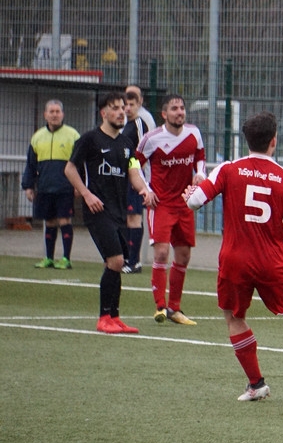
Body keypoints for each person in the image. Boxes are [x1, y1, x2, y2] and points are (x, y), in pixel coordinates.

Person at [184, 112, 283, 403]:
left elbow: (196, 201)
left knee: (235, 317)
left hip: (235, 259)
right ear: (274, 141)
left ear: (246, 141)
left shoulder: (228, 169)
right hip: (273, 259)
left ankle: (256, 384)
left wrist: (189, 194)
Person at [64, 91, 156, 333]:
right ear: (103, 113)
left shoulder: (127, 144)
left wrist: (144, 190)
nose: (121, 111)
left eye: (123, 107)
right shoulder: (90, 139)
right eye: (115, 108)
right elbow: (70, 168)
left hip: (118, 211)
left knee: (117, 263)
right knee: (115, 260)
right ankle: (104, 317)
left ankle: (114, 317)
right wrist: (86, 193)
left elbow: (134, 171)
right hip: (97, 210)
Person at [136, 94, 206, 325]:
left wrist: (200, 173)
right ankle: (159, 306)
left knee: (184, 256)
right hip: (161, 204)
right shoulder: (151, 139)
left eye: (182, 108)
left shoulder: (193, 133)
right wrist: (146, 189)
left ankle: (175, 308)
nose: (180, 112)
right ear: (164, 114)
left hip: (184, 203)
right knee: (162, 253)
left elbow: (200, 156)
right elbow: (133, 163)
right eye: (174, 108)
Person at [21, 99, 79, 269]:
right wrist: (28, 186)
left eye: (57, 112)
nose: (54, 115)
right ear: (45, 115)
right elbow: (31, 164)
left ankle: (66, 259)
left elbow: (80, 163)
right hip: (45, 187)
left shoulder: (73, 135)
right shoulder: (37, 137)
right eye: (51, 112)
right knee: (50, 222)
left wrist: (79, 185)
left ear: (63, 114)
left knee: (64, 220)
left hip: (65, 188)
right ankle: (48, 258)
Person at [122, 89, 152, 273]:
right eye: (126, 105)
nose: (128, 108)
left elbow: (143, 152)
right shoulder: (125, 124)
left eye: (132, 105)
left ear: (139, 105)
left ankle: (135, 261)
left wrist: (136, 172)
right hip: (124, 177)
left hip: (135, 177)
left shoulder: (139, 124)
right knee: (127, 218)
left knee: (135, 217)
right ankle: (128, 258)